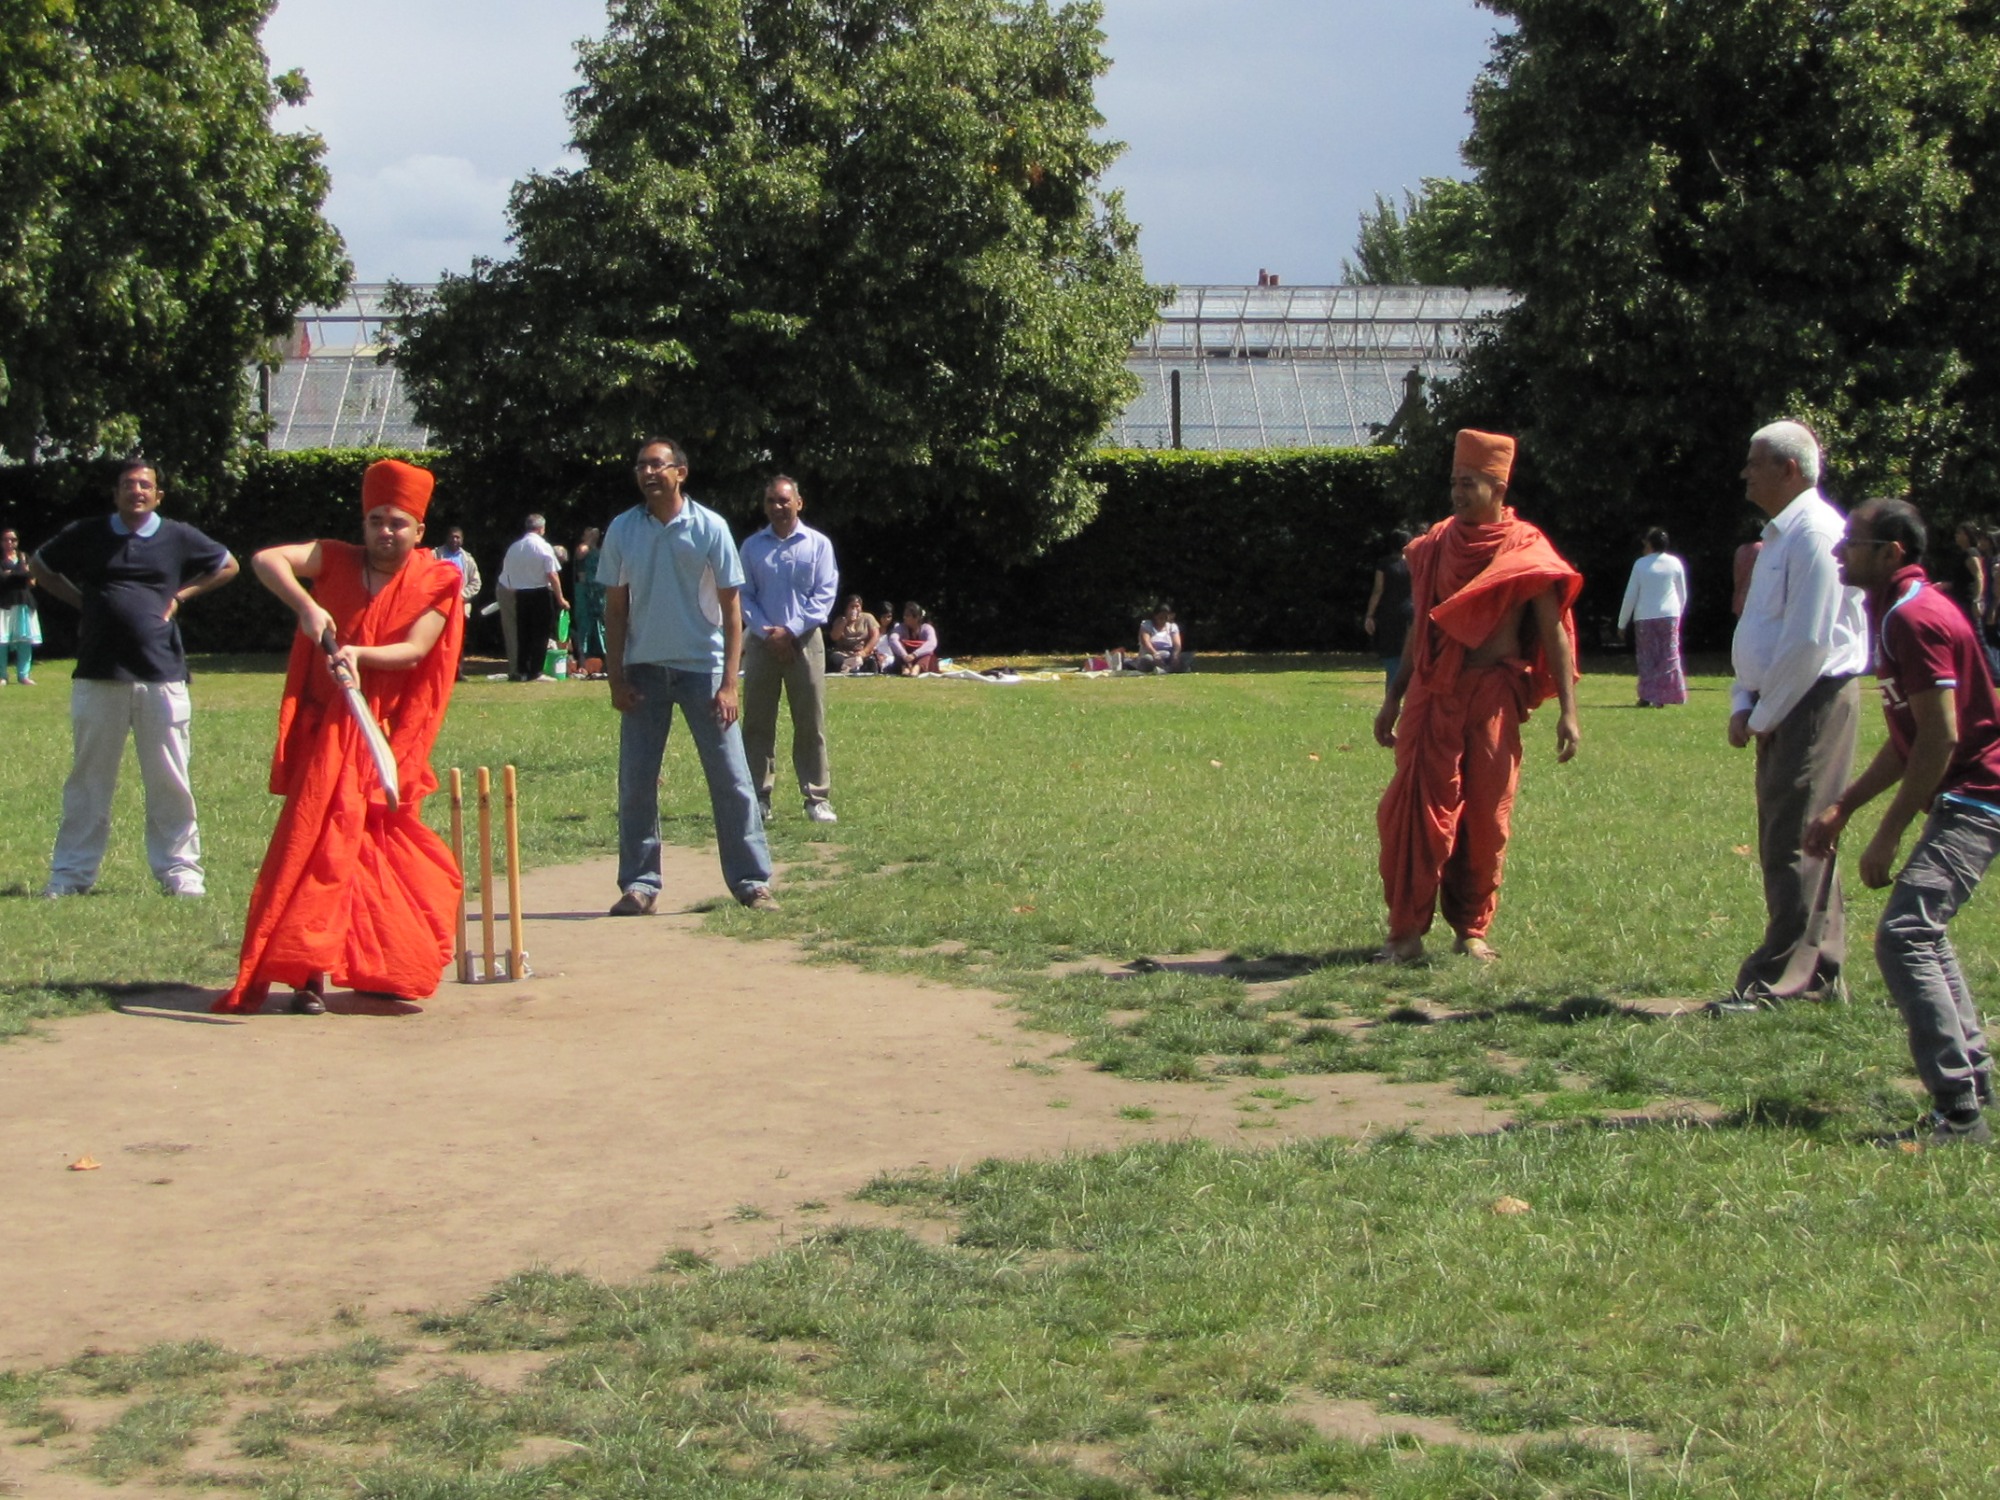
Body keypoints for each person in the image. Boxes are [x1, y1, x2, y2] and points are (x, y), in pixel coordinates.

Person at [213, 459, 465, 1016]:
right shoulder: (335, 558)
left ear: (419, 530)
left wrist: (357, 653)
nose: (385, 532)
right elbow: (266, 560)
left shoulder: (438, 579)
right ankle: (307, 975)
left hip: (383, 736)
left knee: (371, 849)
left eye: (397, 522)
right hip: (328, 731)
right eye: (376, 520)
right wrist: (307, 604)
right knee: (315, 847)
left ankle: (383, 962)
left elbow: (417, 650)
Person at [1804, 498, 1999, 1144]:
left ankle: (1958, 1112)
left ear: (1891, 553)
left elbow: (1940, 739)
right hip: (1969, 789)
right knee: (1922, 930)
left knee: (1905, 935)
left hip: (1979, 792)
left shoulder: (1913, 619)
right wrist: (1846, 805)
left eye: (1852, 542)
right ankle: (1972, 1086)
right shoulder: (1899, 613)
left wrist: (1885, 832)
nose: (1838, 551)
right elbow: (1909, 739)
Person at [1373, 429, 1581, 964]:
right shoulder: (1438, 543)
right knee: (1417, 811)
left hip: (1491, 694)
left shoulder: (1526, 550)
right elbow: (1421, 624)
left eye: (1468, 483)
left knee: (1487, 817)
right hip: (1433, 691)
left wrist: (1569, 712)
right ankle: (1406, 934)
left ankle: (1472, 929)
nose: (1457, 494)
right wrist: (1393, 699)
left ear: (1497, 486)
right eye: (1454, 482)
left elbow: (1553, 630)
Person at [30, 459, 238, 897]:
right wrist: (82, 601)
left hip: (161, 674)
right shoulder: (89, 533)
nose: (137, 491)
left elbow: (228, 565)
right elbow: (41, 566)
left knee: (170, 779)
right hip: (98, 675)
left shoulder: (178, 536)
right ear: (116, 493)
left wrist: (182, 595)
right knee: (88, 781)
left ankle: (181, 872)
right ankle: (70, 875)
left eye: (145, 485)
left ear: (158, 495)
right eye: (128, 484)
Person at [1714, 419, 1868, 1012]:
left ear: (1789, 469)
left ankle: (1780, 979)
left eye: (1755, 462)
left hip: (1810, 698)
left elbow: (1808, 641)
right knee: (1797, 834)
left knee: (1796, 840)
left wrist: (1764, 712)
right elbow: (1764, 630)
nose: (1745, 472)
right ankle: (1818, 975)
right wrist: (1744, 699)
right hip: (1784, 700)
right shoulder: (1782, 533)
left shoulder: (1815, 533)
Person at [599, 437, 776, 915]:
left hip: (703, 671)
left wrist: (730, 681)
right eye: (640, 466)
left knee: (732, 779)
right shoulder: (622, 529)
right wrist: (616, 678)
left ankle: (752, 882)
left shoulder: (709, 526)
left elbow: (732, 607)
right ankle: (639, 885)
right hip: (643, 672)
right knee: (636, 781)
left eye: (657, 465)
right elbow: (614, 609)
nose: (647, 473)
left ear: (681, 472)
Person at [740, 476, 840, 824]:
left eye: (784, 501)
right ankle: (757, 796)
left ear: (799, 502)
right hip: (761, 642)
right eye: (771, 501)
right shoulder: (752, 547)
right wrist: (769, 633)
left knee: (810, 721)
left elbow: (824, 594)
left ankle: (817, 798)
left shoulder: (818, 545)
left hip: (805, 642)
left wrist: (792, 631)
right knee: (756, 722)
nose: (777, 508)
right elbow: (744, 595)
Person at [1618, 527, 1690, 707]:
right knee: (1669, 655)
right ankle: (1669, 694)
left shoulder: (1640, 564)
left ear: (1649, 544)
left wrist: (1622, 622)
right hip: (1669, 615)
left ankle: (1648, 695)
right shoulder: (1675, 563)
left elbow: (1631, 595)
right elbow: (1682, 593)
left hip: (1645, 616)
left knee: (1647, 657)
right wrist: (1679, 614)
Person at [499, 514, 567, 682]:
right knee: (540, 633)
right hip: (540, 593)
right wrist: (561, 598)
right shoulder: (543, 547)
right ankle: (535, 671)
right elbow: (552, 574)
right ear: (541, 528)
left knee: (523, 633)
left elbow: (507, 573)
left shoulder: (514, 547)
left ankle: (522, 669)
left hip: (520, 593)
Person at [1364, 529, 1414, 680]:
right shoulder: (1414, 564)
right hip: (1411, 611)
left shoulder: (1384, 564)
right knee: (1408, 653)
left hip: (1388, 613)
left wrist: (1369, 615)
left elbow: (1378, 590)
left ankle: (1392, 696)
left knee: (1391, 657)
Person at [434, 525, 482, 679]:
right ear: (446, 538)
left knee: (458, 640)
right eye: (452, 536)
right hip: (438, 605)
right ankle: (438, 671)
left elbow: (476, 582)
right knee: (438, 640)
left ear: (462, 539)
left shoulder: (467, 559)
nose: (455, 540)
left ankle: (456, 672)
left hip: (460, 606)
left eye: (458, 537)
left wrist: (461, 596)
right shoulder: (435, 555)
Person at [0, 525, 39, 685]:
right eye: (6, 539)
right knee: (2, 641)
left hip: (23, 602)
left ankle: (23, 675)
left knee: (24, 641)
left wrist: (11, 575)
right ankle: (2, 675)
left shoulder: (24, 557)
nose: (10, 542)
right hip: (4, 603)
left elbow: (31, 581)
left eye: (13, 539)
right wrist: (18, 574)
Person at [570, 525, 608, 675]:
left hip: (599, 591)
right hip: (585, 590)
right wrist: (588, 540)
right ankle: (583, 655)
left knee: (600, 621)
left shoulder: (600, 550)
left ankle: (602, 653)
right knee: (584, 621)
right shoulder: (583, 548)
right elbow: (580, 554)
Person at [828, 595, 881, 675]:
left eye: (857, 606)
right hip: (844, 653)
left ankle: (855, 666)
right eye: (852, 607)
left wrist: (865, 651)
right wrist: (845, 621)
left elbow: (875, 635)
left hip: (862, 652)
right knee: (835, 660)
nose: (854, 609)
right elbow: (834, 637)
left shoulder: (867, 618)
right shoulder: (840, 620)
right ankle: (849, 666)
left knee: (870, 662)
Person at [1137, 604, 1193, 672]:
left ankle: (1165, 670)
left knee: (1187, 656)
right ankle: (1167, 669)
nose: (1163, 620)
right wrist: (1155, 654)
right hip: (1152, 654)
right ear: (1155, 616)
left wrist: (1175, 656)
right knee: (1147, 659)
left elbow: (1177, 645)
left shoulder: (1172, 627)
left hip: (1169, 656)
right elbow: (1146, 642)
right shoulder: (1147, 625)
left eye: (1165, 618)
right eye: (1160, 617)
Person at [888, 602, 938, 674]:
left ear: (917, 617)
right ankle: (905, 668)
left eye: (907, 616)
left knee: (929, 653)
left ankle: (917, 667)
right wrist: (904, 655)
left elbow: (932, 643)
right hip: (905, 658)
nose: (904, 617)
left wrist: (914, 654)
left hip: (920, 657)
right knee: (898, 649)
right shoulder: (901, 628)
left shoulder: (927, 628)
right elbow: (893, 639)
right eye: (904, 615)